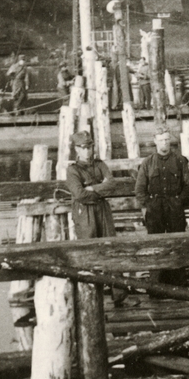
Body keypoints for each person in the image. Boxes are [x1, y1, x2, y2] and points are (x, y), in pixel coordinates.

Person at [65, 131, 130, 308]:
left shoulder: (100, 164)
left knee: (111, 247)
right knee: (89, 250)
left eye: (90, 147)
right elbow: (79, 194)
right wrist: (100, 189)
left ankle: (119, 294)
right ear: (77, 149)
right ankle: (89, 297)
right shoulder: (73, 170)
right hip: (84, 212)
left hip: (102, 210)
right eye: (83, 148)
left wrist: (93, 188)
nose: (87, 151)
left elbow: (112, 184)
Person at [134, 128, 189, 287]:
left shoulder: (180, 161)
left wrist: (179, 201)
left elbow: (188, 186)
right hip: (155, 209)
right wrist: (149, 204)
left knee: (177, 244)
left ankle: (179, 285)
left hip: (175, 207)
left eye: (167, 139)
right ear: (155, 141)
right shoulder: (147, 163)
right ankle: (156, 286)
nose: (164, 143)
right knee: (155, 246)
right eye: (161, 140)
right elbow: (139, 190)